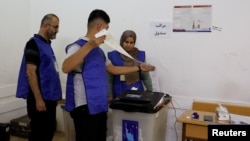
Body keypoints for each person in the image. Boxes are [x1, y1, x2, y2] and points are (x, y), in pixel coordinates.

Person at [62, 9, 155, 141]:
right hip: (84, 107)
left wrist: (139, 68)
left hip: (99, 106)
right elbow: (65, 67)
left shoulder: (99, 52)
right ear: (99, 28)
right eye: (107, 29)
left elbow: (114, 69)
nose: (107, 34)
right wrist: (89, 45)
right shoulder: (76, 46)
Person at [16, 14, 62, 141]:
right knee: (39, 133)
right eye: (55, 27)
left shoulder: (47, 45)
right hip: (39, 98)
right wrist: (38, 99)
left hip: (49, 98)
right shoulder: (33, 44)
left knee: (49, 130)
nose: (57, 30)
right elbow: (30, 72)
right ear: (45, 25)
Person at [108, 30, 153, 99]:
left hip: (137, 90)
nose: (129, 45)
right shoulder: (113, 56)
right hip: (119, 91)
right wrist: (110, 95)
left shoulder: (140, 56)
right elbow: (109, 79)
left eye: (131, 42)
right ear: (122, 41)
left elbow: (145, 76)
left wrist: (150, 91)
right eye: (126, 42)